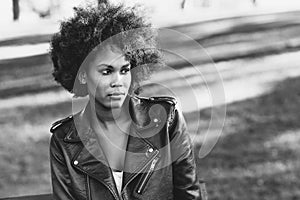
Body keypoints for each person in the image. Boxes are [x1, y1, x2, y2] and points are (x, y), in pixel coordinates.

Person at [49, 2, 203, 200]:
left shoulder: (166, 120)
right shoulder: (65, 140)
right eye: (106, 71)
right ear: (83, 76)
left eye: (124, 70)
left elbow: (189, 194)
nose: (118, 82)